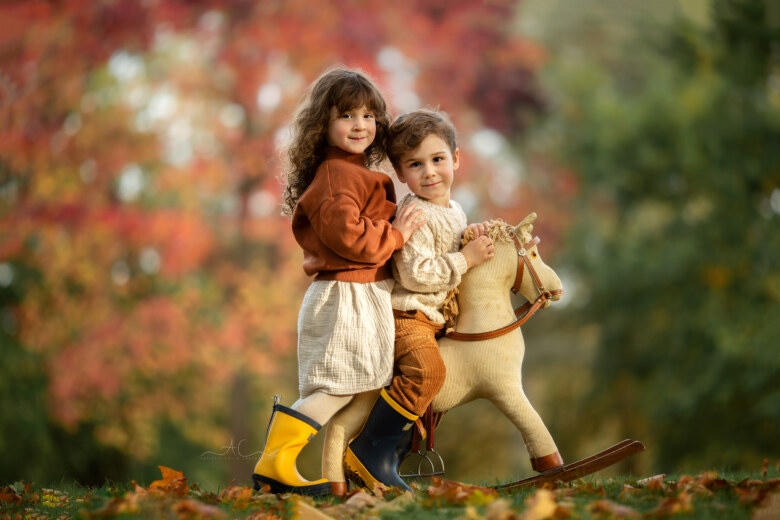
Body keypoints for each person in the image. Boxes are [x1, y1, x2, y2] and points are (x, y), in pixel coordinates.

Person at [252, 67, 424, 496]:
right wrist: (398, 234)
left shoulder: (352, 172)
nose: (360, 125)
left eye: (368, 116)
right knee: (336, 385)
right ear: (323, 124)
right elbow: (348, 236)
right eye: (347, 115)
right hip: (347, 293)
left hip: (362, 292)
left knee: (365, 381)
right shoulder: (336, 175)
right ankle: (274, 463)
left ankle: (358, 462)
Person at [344, 109, 496, 492]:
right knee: (427, 372)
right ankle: (368, 451)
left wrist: (468, 236)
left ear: (456, 159)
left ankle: (389, 457)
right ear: (401, 173)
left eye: (438, 159)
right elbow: (415, 274)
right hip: (409, 314)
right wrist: (466, 258)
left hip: (436, 316)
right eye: (415, 164)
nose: (429, 172)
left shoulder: (454, 209)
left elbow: (452, 242)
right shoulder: (414, 212)